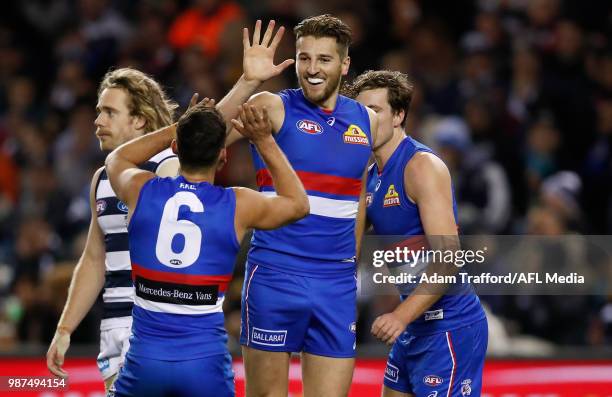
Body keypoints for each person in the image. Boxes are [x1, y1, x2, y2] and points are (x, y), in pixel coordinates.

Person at [46, 20, 294, 391]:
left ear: (140, 119)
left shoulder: (166, 169)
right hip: (113, 327)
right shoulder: (104, 179)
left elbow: (209, 134)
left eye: (109, 112)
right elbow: (95, 259)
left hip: (152, 328)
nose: (97, 121)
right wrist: (65, 328)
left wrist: (247, 83)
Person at [104, 101, 308, 397]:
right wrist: (264, 140)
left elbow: (116, 158)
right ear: (223, 156)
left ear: (176, 148)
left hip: (145, 362)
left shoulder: (141, 189)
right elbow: (299, 204)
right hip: (205, 363)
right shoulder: (238, 205)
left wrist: (180, 128)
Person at [227, 14, 379, 397]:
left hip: (336, 284)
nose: (311, 69)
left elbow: (361, 192)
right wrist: (248, 81)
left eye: (324, 59)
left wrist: (351, 258)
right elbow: (200, 142)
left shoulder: (370, 122)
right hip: (276, 274)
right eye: (304, 58)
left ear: (344, 65)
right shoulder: (271, 106)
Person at [346, 70, 487, 397]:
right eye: (360, 112)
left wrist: (399, 316)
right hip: (415, 323)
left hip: (449, 325)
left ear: (399, 115)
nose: (366, 119)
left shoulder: (421, 166)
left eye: (375, 110)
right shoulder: (370, 176)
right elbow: (347, 250)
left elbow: (449, 260)